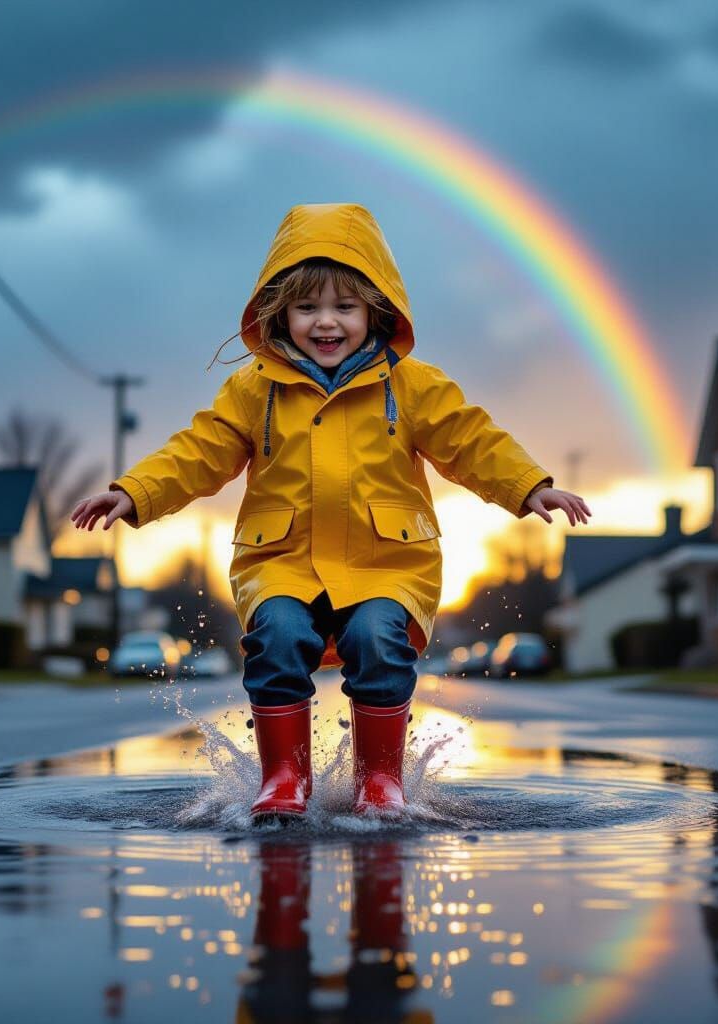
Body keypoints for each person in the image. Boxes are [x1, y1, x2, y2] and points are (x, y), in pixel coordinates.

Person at [71, 203, 591, 821]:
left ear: (375, 310)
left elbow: (471, 439)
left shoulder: (412, 385)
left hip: (386, 564)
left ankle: (381, 782)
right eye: (307, 307)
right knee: (277, 636)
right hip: (281, 562)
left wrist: (529, 486)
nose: (326, 321)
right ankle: (284, 779)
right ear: (278, 312)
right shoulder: (253, 391)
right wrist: (135, 492)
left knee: (377, 638)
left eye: (345, 306)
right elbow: (198, 451)